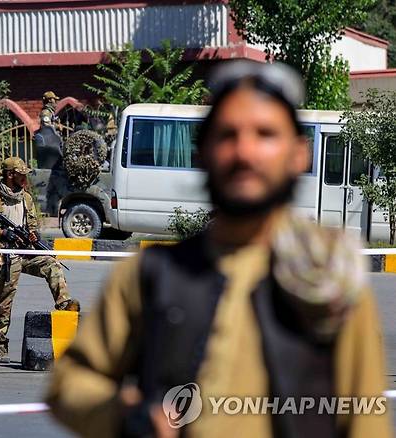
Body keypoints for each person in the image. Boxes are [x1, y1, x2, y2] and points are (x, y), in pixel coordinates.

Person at [46, 61, 391, 438]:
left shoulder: (331, 274)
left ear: (298, 155)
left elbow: (367, 422)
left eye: (265, 134)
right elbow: (70, 385)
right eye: (228, 135)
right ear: (202, 154)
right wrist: (129, 417)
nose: (245, 152)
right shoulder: (153, 274)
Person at [0, 157, 80, 363]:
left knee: (52, 264)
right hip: (4, 256)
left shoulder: (26, 199)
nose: (25, 179)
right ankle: (0, 344)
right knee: (3, 301)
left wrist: (33, 236)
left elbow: (32, 227)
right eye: (21, 175)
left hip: (24, 252)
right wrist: (2, 233)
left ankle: (64, 303)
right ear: (10, 175)